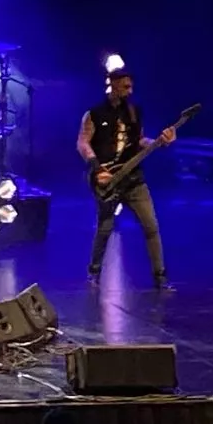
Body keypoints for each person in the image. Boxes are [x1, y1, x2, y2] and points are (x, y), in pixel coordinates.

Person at [77, 67, 174, 290]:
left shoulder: (134, 111)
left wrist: (159, 142)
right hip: (107, 179)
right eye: (125, 86)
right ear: (113, 83)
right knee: (105, 227)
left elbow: (139, 140)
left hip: (133, 178)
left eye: (131, 86)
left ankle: (160, 278)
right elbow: (83, 142)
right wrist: (96, 167)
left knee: (151, 226)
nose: (130, 91)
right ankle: (94, 271)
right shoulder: (94, 113)